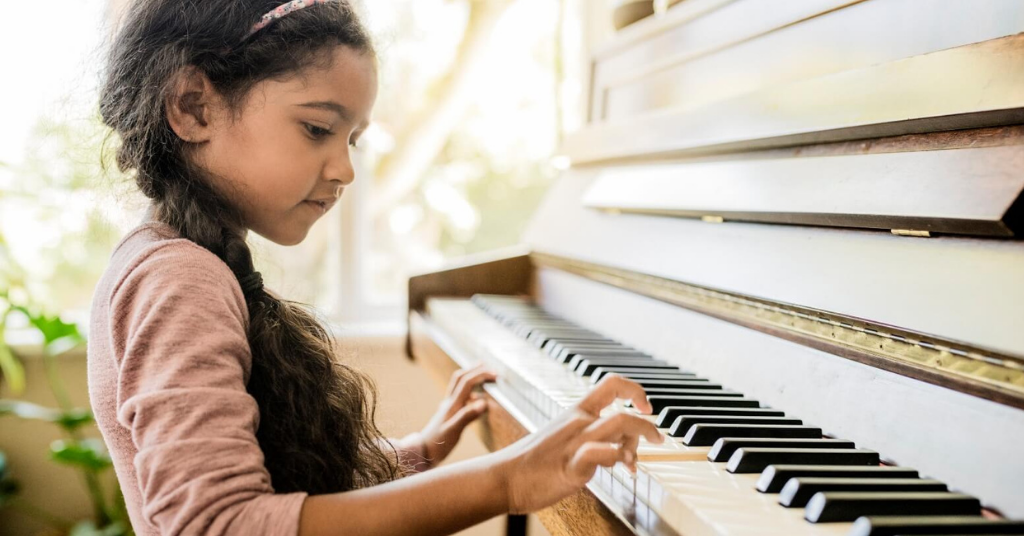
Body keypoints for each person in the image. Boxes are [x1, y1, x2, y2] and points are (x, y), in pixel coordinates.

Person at [88, 1, 664, 534]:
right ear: (192, 106)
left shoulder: (178, 261)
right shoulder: (178, 279)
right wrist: (508, 479)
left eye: (353, 139)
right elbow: (219, 524)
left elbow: (282, 489)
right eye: (317, 129)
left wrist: (419, 450)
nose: (344, 169)